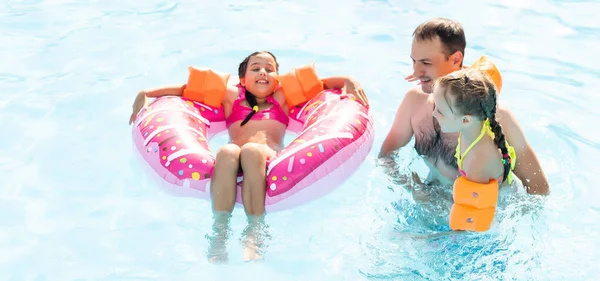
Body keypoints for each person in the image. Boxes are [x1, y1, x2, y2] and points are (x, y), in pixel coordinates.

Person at [129, 51, 369, 262]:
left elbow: (322, 84)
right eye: (255, 68)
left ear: (277, 78)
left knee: (252, 150)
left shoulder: (282, 97)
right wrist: (145, 92)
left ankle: (254, 233)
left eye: (269, 69)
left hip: (268, 155)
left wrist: (350, 79)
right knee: (226, 150)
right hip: (235, 157)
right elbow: (184, 91)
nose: (263, 72)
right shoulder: (230, 96)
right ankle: (220, 232)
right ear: (243, 80)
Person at [378, 18, 549, 197]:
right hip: (429, 200)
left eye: (426, 63)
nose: (416, 72)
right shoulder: (414, 101)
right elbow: (385, 156)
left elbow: (538, 187)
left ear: (455, 59)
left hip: (480, 215)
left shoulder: (493, 116)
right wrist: (414, 190)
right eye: (414, 61)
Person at [433, 68, 515, 185]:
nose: (434, 113)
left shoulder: (477, 162)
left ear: (465, 120)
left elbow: (472, 203)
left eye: (440, 111)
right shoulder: (475, 126)